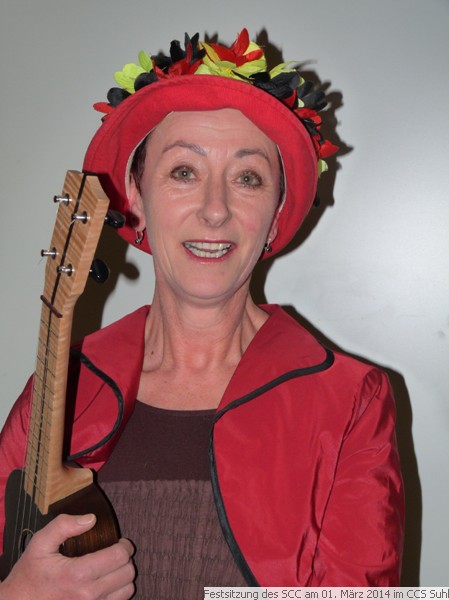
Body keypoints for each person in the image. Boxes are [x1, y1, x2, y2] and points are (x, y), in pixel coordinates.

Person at [0, 28, 404, 598]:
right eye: (184, 172)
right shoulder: (61, 388)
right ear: (135, 196)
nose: (215, 210)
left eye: (247, 178)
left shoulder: (351, 400)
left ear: (276, 212)